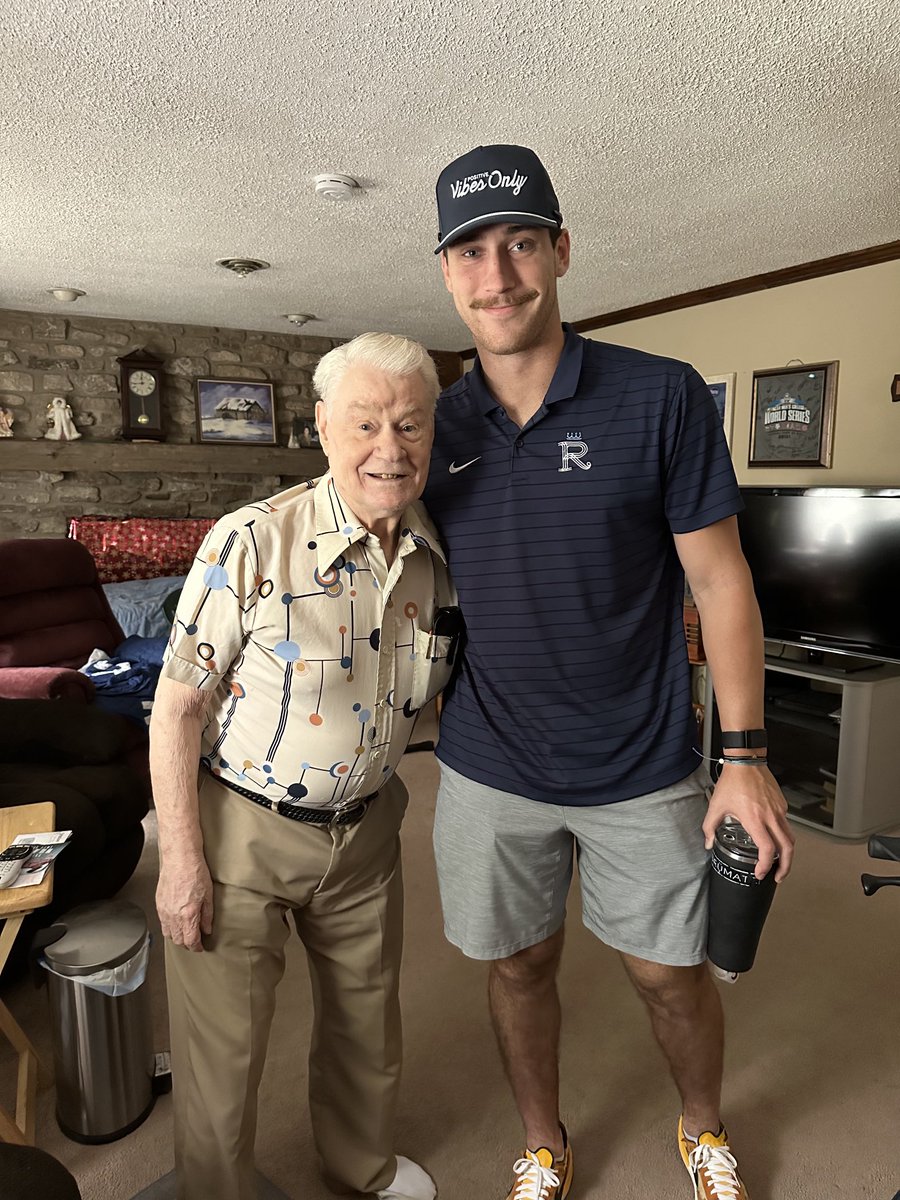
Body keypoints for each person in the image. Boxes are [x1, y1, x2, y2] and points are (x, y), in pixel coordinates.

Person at [422, 144, 795, 1200]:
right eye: (471, 252)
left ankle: (702, 1124)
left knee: (669, 976)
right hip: (491, 762)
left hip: (643, 760)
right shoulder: (433, 428)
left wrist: (746, 757)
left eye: (521, 243)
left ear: (561, 251)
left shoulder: (661, 397)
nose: (497, 276)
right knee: (517, 966)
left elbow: (722, 585)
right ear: (445, 271)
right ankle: (543, 1140)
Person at [151, 333, 457, 1200]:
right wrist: (179, 861)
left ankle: (360, 1168)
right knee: (227, 1053)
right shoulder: (250, 541)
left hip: (367, 832)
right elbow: (174, 709)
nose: (388, 449)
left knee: (368, 1024)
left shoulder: (439, 554)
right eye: (364, 424)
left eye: (408, 425)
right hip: (239, 835)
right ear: (323, 429)